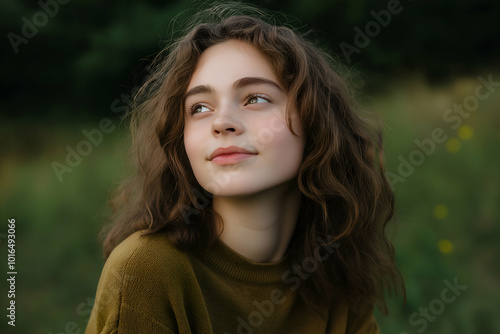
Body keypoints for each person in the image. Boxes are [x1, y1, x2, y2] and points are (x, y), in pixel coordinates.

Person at [85, 2, 404, 333]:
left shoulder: (333, 270)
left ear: (315, 122)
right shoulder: (145, 271)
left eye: (255, 99)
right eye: (199, 107)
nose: (222, 123)